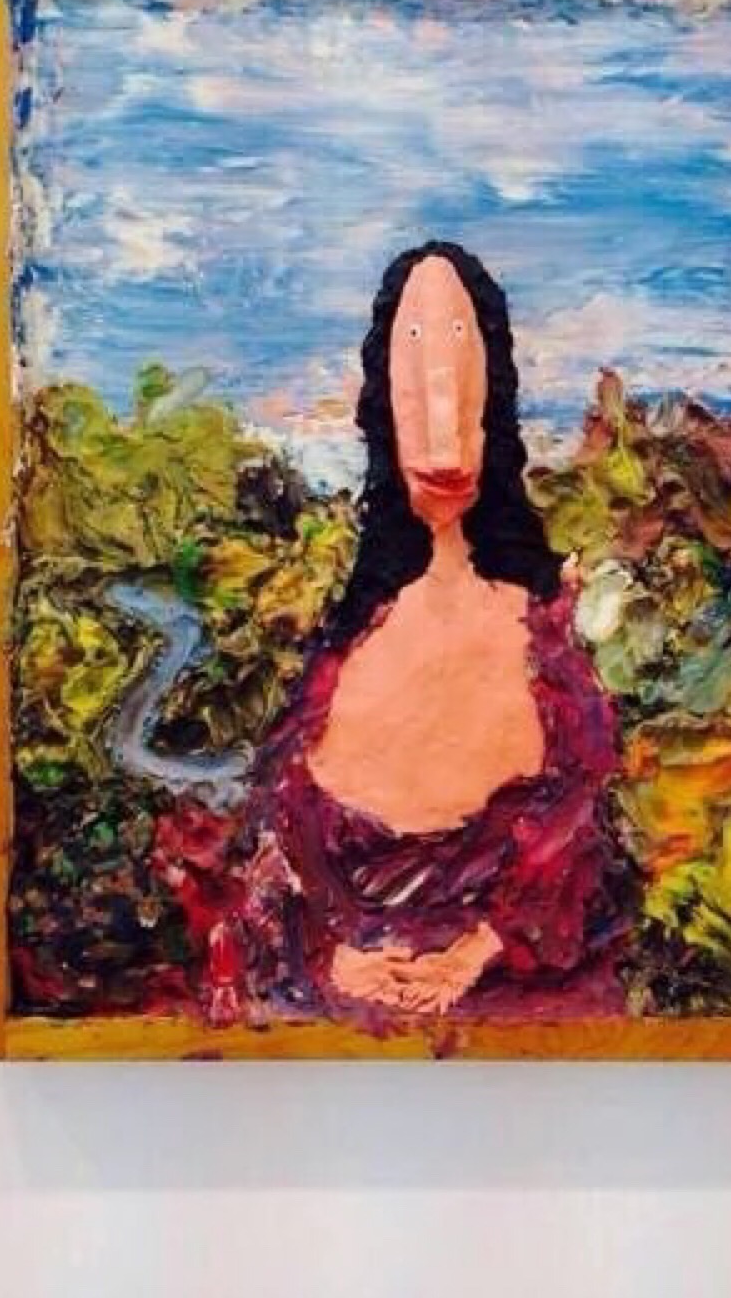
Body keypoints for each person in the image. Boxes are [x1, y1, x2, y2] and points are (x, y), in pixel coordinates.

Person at [156, 241, 634, 1026]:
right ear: (386, 405)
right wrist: (333, 955)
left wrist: (476, 951)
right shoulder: (338, 655)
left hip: (526, 1051)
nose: (441, 422)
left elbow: (585, 859)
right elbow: (273, 876)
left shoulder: (545, 650)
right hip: (331, 1053)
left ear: (493, 403)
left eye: (461, 367)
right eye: (415, 372)